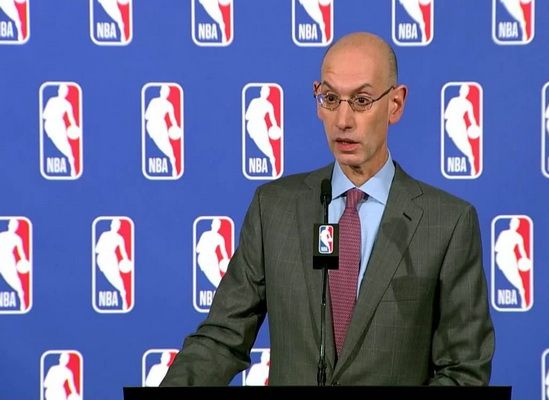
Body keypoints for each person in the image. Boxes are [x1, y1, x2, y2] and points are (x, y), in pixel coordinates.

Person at [161, 31, 494, 386]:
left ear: (395, 104)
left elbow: (464, 373)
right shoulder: (273, 209)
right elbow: (221, 339)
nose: (343, 120)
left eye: (362, 100)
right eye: (331, 98)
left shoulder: (447, 223)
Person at [42, 84, 79, 177]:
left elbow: (71, 118)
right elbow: (44, 115)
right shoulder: (52, 100)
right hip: (50, 125)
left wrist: (74, 127)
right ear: (58, 91)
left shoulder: (67, 104)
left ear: (66, 93)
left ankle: (72, 165)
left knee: (66, 145)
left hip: (59, 125)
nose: (63, 92)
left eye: (65, 91)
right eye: (61, 90)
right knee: (55, 143)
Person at [443, 83, 480, 176]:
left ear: (467, 93)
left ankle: (472, 162)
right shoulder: (453, 100)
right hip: (451, 125)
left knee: (466, 145)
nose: (464, 92)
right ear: (460, 91)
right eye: (463, 90)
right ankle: (471, 158)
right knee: (459, 143)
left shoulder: (468, 104)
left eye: (466, 91)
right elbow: (446, 115)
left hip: (460, 125)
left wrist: (474, 125)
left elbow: (471, 117)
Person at [144, 84, 180, 177]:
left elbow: (173, 119)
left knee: (167, 146)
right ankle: (172, 161)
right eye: (163, 91)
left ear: (168, 94)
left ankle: (173, 165)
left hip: (161, 125)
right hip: (152, 126)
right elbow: (146, 116)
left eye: (166, 92)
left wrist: (176, 127)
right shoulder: (154, 101)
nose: (165, 93)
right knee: (158, 143)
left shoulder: (168, 105)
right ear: (160, 92)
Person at [494, 217, 529, 308]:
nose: (514, 225)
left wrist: (525, 258)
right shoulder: (503, 233)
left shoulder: (518, 237)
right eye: (513, 223)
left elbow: (522, 250)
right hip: (501, 257)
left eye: (516, 224)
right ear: (510, 224)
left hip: (510, 257)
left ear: (517, 226)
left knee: (516, 278)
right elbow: (496, 248)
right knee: (507, 275)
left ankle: (523, 296)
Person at [95, 219, 130, 310]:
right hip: (102, 258)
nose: (115, 226)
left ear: (118, 227)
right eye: (114, 224)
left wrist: (126, 260)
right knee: (109, 276)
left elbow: (123, 252)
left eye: (117, 225)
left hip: (111, 258)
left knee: (117, 277)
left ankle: (123, 296)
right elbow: (97, 249)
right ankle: (122, 292)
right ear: (111, 225)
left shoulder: (119, 238)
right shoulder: (104, 235)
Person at [245, 85, 279, 178]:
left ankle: (273, 167)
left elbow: (272, 119)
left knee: (268, 148)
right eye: (263, 91)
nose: (265, 93)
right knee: (262, 145)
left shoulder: (269, 105)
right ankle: (272, 161)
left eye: (266, 92)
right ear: (261, 92)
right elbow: (247, 116)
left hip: (261, 125)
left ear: (268, 94)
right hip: (253, 126)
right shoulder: (254, 102)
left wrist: (275, 127)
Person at [0, 218, 28, 311]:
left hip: (8, 261)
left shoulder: (17, 238)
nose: (13, 227)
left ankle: (22, 302)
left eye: (15, 225)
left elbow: (21, 252)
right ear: (8, 225)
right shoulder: (1, 235)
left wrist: (24, 260)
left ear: (16, 227)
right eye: (11, 224)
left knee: (16, 281)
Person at [196, 218, 230, 288]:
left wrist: (226, 261)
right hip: (204, 258)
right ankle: (224, 289)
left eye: (218, 225)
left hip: (212, 258)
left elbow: (223, 252)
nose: (216, 226)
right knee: (214, 277)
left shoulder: (220, 238)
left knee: (217, 277)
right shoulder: (205, 234)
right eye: (215, 224)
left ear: (219, 226)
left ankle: (224, 290)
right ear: (212, 225)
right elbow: (197, 249)